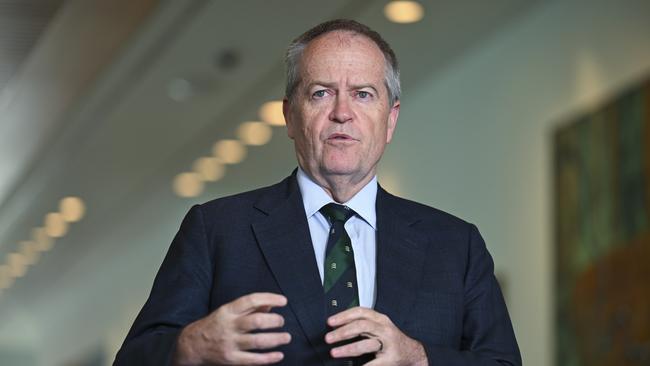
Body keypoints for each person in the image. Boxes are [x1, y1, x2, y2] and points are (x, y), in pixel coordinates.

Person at [114, 19, 521, 366]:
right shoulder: (217, 230)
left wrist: (419, 357)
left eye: (363, 94)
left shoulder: (456, 244)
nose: (342, 112)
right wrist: (192, 345)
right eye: (321, 93)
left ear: (390, 119)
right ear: (290, 115)